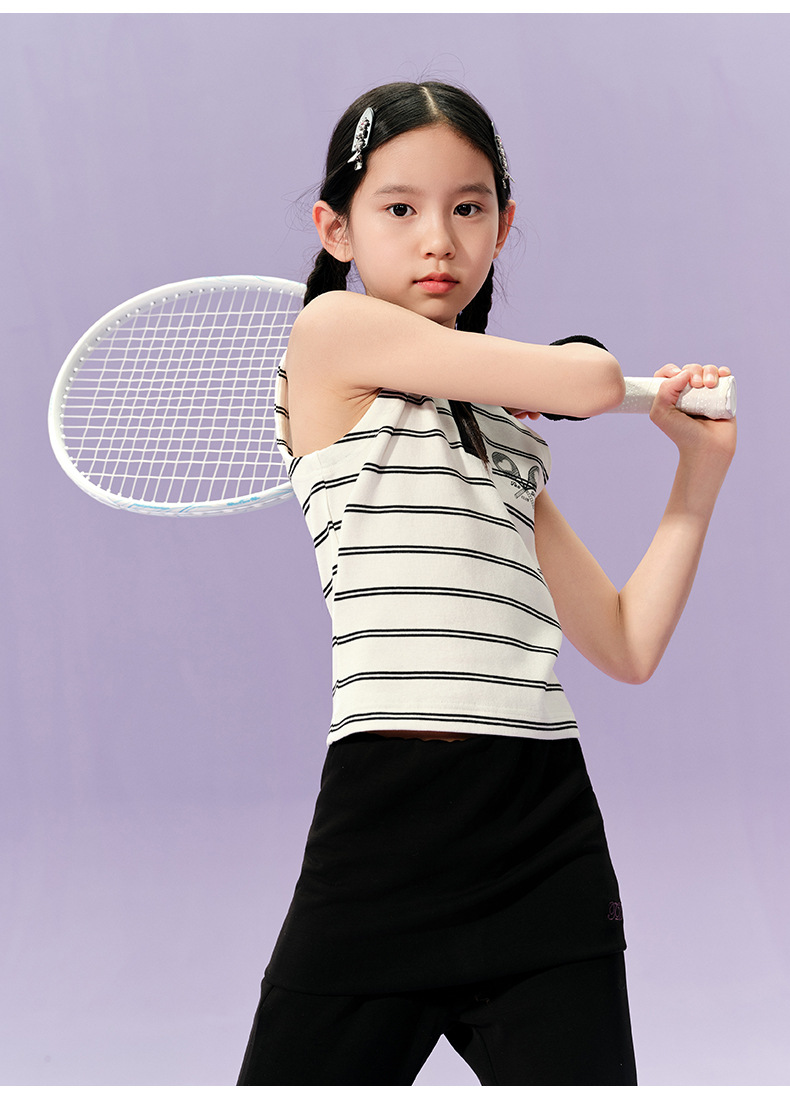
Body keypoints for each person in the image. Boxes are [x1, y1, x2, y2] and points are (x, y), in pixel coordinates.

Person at [237, 80, 736, 1087]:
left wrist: (700, 470)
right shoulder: (330, 332)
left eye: (468, 207)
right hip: (386, 828)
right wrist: (581, 366)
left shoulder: (502, 438)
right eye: (399, 207)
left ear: (503, 226)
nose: (439, 240)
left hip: (543, 837)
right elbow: (589, 381)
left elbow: (626, 643)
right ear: (336, 228)